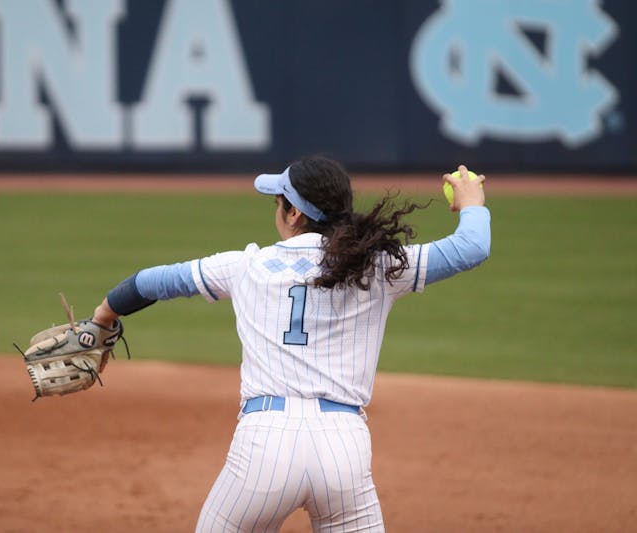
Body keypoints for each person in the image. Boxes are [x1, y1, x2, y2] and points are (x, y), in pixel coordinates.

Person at [92, 156, 490, 532]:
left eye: (279, 201)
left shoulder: (245, 266)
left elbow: (150, 282)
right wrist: (471, 202)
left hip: (265, 446)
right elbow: (472, 247)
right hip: (344, 448)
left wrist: (103, 317)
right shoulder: (378, 265)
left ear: (294, 213)